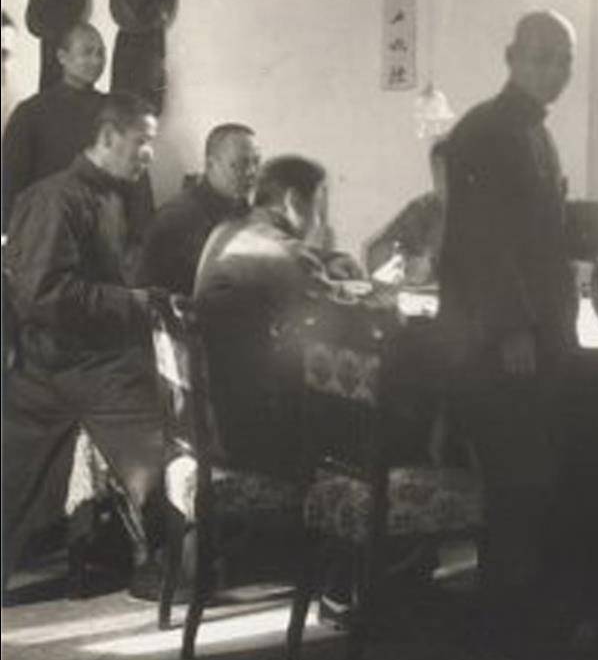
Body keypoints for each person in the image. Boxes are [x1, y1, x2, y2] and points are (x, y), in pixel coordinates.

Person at [438, 10, 581, 660]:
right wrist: (514, 328)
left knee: (531, 489)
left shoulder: (533, 131)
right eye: (542, 56)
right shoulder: (485, 131)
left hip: (534, 339)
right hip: (500, 347)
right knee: (521, 487)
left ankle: (510, 629)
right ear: (511, 56)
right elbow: (482, 242)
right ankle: (515, 645)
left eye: (564, 60)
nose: (555, 70)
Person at [2, 92, 171, 593]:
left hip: (95, 363)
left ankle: (162, 566)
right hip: (53, 369)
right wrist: (136, 303)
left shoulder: (112, 197)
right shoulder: (55, 198)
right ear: (108, 137)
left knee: (160, 446)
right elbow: (43, 297)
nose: (149, 154)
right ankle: (170, 564)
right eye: (142, 141)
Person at [193, 155, 359, 483]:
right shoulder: (284, 251)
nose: (320, 221)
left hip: (211, 418)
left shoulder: (228, 230)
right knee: (356, 414)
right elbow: (340, 311)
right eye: (319, 207)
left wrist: (326, 260)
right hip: (252, 431)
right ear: (293, 201)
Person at [2, 22, 106, 234]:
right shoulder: (31, 112)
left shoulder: (115, 109)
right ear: (62, 57)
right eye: (87, 52)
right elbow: (9, 182)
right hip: (46, 230)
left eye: (101, 53)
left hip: (104, 230)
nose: (96, 61)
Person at [137, 123, 260, 295]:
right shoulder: (176, 219)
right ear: (210, 164)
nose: (252, 172)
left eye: (256, 162)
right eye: (241, 164)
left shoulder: (248, 211)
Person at [363, 139, 448, 286]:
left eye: (449, 173)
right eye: (437, 173)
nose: (441, 183)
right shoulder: (424, 208)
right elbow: (376, 253)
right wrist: (404, 265)